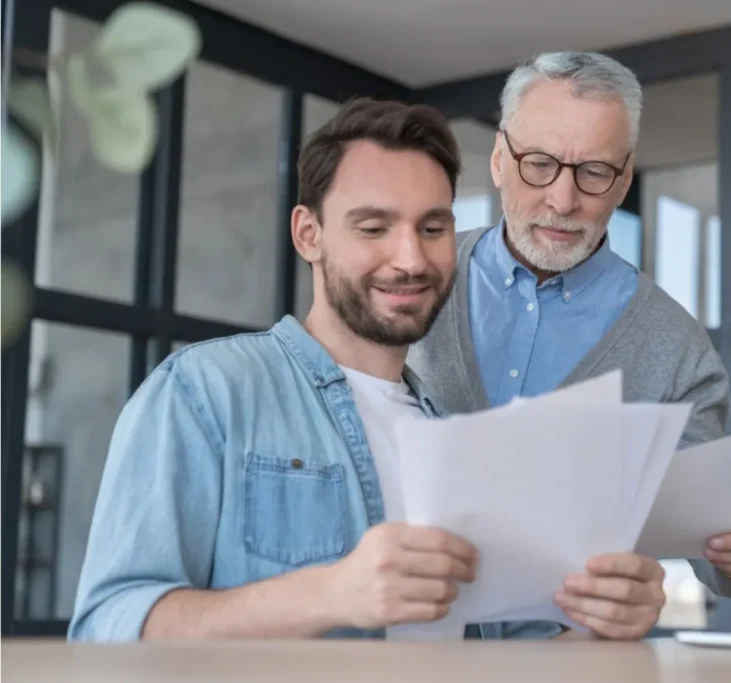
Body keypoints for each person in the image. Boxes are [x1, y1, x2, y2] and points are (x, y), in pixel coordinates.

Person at [68, 98, 560, 641]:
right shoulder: (205, 390)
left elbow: (514, 650)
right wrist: (328, 594)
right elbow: (104, 633)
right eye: (373, 228)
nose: (411, 259)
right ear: (309, 235)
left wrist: (601, 625)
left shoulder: (457, 438)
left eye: (432, 228)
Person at [407, 51, 731, 637]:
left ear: (626, 177)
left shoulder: (676, 348)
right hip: (396, 651)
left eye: (593, 172)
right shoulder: (411, 275)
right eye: (539, 164)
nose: (563, 200)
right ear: (497, 160)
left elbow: (712, 551)